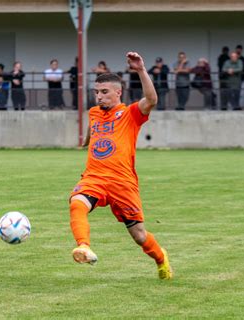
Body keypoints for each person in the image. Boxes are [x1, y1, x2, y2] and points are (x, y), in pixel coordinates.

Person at [68, 52, 173, 280]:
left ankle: (161, 258)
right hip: (94, 178)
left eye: (104, 92)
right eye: (96, 92)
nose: (99, 97)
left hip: (122, 183)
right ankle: (84, 246)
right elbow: (92, 125)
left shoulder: (130, 114)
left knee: (139, 235)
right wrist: (86, 141)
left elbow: (152, 100)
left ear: (118, 92)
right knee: (76, 203)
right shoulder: (94, 113)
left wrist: (141, 71)